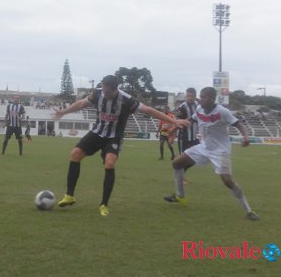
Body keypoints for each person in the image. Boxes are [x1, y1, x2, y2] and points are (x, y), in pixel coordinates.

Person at [53, 75, 190, 216]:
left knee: (110, 163)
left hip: (114, 136)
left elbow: (149, 110)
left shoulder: (126, 100)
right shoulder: (98, 93)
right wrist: (63, 112)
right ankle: (69, 196)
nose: (104, 93)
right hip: (97, 132)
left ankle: (104, 204)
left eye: (107, 92)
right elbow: (82, 103)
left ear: (115, 90)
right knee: (75, 154)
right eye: (103, 90)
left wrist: (174, 122)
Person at [163, 87, 259, 221]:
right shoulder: (200, 109)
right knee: (177, 164)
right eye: (200, 96)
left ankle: (249, 211)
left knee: (227, 181)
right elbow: (191, 120)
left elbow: (239, 125)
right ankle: (180, 196)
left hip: (220, 150)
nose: (200, 99)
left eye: (203, 97)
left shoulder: (222, 111)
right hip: (204, 147)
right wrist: (173, 129)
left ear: (212, 99)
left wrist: (246, 137)